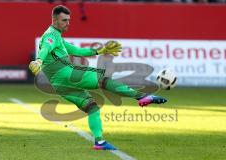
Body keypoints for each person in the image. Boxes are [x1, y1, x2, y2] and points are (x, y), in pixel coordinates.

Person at [29, 5, 167, 150]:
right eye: (64, 20)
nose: (67, 23)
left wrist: (101, 50)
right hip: (67, 74)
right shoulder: (51, 35)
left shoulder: (58, 37)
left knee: (92, 107)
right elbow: (45, 48)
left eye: (69, 20)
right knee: (103, 79)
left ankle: (99, 141)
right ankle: (141, 96)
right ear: (54, 20)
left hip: (60, 85)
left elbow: (77, 51)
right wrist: (39, 60)